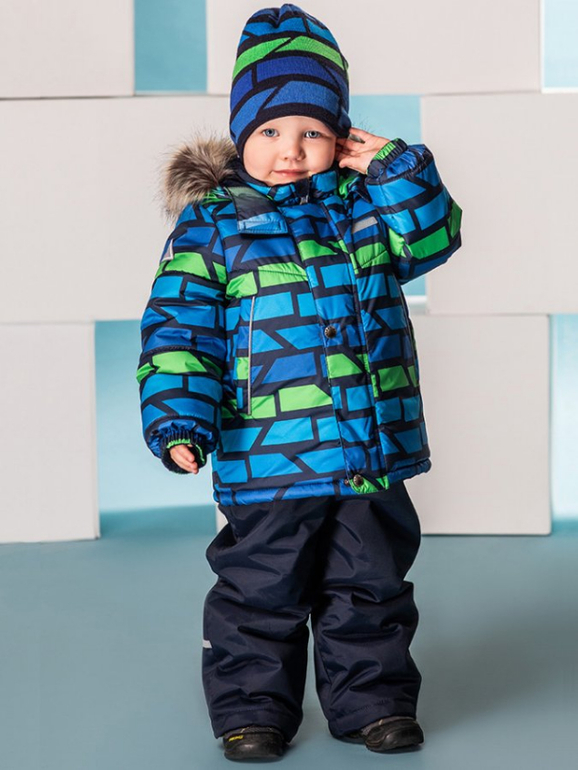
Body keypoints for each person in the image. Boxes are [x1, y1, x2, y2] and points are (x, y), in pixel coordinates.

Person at [136, 3, 463, 762]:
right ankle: (252, 710)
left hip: (367, 450)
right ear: (242, 136)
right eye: (271, 132)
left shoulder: (367, 211)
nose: (291, 150)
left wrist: (396, 170)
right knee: (262, 587)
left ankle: (374, 703)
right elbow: (180, 330)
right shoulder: (213, 226)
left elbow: (435, 238)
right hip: (268, 455)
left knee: (371, 585)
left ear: (341, 137)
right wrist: (178, 420)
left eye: (313, 131)